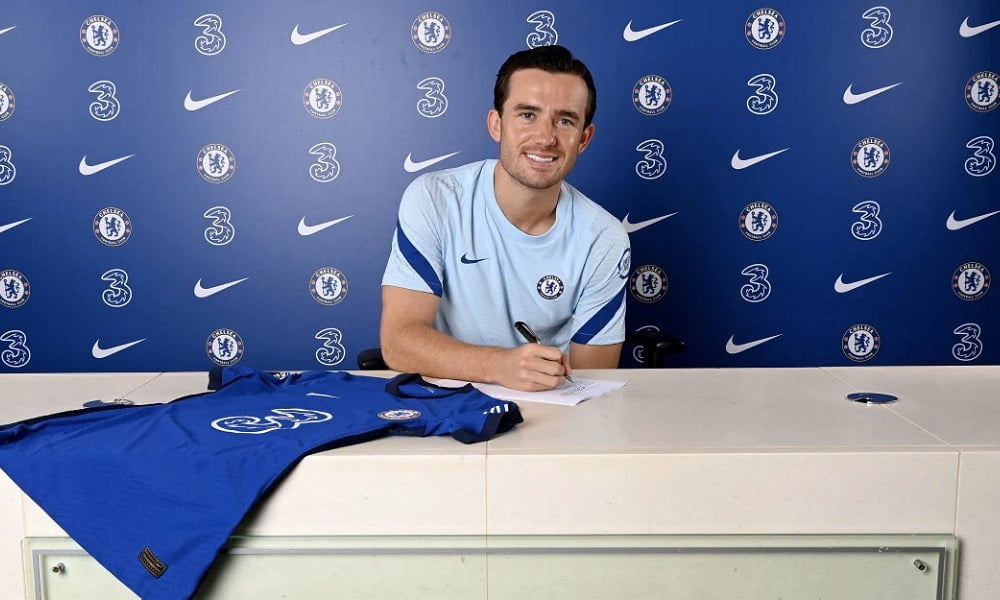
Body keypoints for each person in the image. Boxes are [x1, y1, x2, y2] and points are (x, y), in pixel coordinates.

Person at [380, 45, 630, 391]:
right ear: (496, 125)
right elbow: (398, 341)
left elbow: (591, 383)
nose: (545, 138)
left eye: (565, 121)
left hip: (552, 405)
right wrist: (500, 366)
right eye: (527, 115)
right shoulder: (434, 198)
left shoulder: (605, 237)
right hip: (443, 403)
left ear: (584, 139)